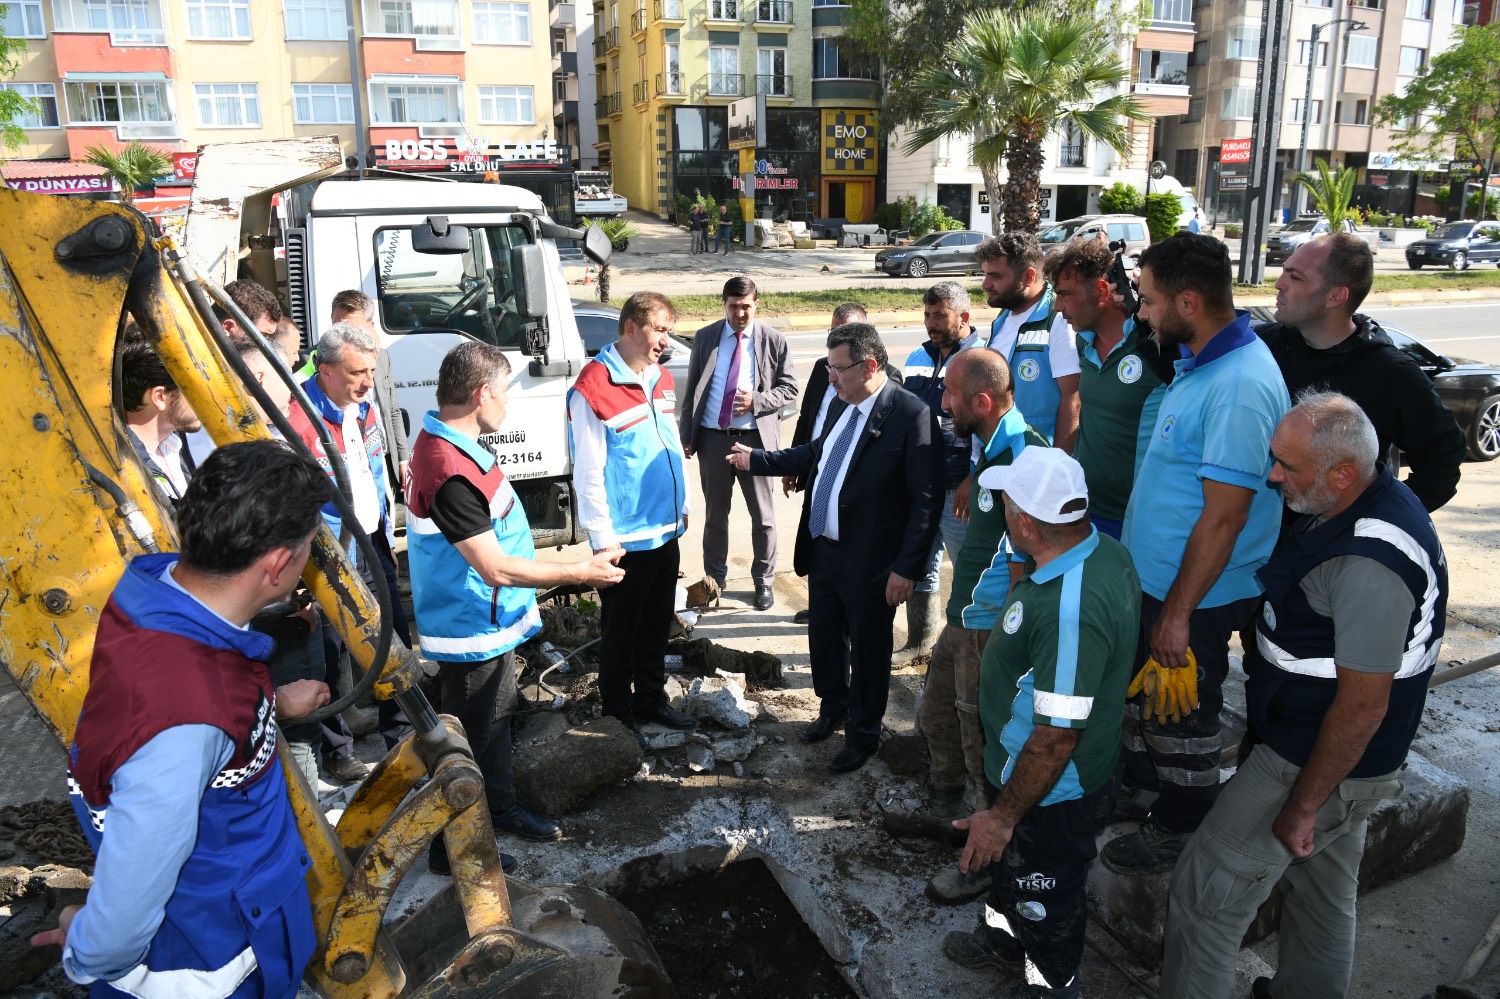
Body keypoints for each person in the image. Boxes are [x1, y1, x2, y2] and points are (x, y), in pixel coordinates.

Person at [1158, 393, 1446, 999]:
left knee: (1206, 897)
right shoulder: (1353, 498)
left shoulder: (1373, 562)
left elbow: (1363, 706)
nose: (1272, 475)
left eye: (1287, 466)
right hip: (1332, 755)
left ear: (1342, 472)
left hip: (1312, 758)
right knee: (1321, 895)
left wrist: (1306, 804)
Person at [36, 440, 333, 997]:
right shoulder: (186, 722)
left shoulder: (156, 597)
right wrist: (85, 942)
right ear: (277, 565)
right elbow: (130, 892)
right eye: (308, 549)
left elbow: (201, 717)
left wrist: (270, 707)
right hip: (215, 963)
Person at [1102, 233, 1291, 875]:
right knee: (1146, 703)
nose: (1141, 313)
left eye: (1150, 301)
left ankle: (1183, 821)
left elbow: (1225, 516)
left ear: (1188, 300)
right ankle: (1143, 788)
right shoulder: (1199, 361)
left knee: (1183, 712)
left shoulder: (1238, 384)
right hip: (1159, 580)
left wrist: (1178, 614)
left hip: (1199, 595)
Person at [408, 341, 625, 874]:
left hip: (490, 622)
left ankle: (498, 808)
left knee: (496, 722)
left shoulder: (455, 444)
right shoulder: (450, 470)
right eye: (505, 392)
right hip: (472, 628)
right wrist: (583, 573)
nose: (509, 403)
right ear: (481, 394)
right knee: (472, 741)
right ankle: (450, 848)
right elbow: (495, 567)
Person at [941, 446, 1139, 999]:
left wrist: (1003, 816)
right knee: (1010, 876)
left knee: (1042, 893)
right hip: (1025, 776)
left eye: (1006, 503)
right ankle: (1003, 941)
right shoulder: (1101, 551)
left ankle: (1052, 984)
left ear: (1024, 522)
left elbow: (1054, 740)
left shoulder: (1068, 608)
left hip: (1052, 793)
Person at [728, 322, 942, 773]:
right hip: (826, 547)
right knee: (825, 637)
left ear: (869, 365)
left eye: (837, 369)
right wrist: (757, 461)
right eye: (827, 368)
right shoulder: (846, 404)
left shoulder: (909, 414)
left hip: (872, 560)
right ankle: (833, 708)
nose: (831, 379)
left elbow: (926, 500)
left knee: (868, 649)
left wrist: (908, 568)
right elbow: (817, 454)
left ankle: (864, 734)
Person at [885, 349, 1047, 906]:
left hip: (991, 627)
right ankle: (946, 808)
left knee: (984, 740)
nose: (942, 403)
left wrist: (1005, 634)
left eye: (951, 394)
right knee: (936, 715)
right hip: (963, 617)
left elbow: (1034, 559)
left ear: (981, 401)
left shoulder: (1027, 456)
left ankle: (985, 856)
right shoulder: (995, 444)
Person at [569, 291, 699, 738]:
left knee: (656, 624)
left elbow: (667, 446)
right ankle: (618, 713)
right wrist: (603, 538)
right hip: (624, 538)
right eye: (660, 329)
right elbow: (587, 471)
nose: (666, 339)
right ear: (630, 328)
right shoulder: (592, 386)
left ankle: (650, 698)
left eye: (667, 330)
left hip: (665, 529)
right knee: (621, 630)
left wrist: (680, 508)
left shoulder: (661, 377)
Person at [1257, 232, 1464, 513]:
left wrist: (1381, 518)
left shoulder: (1389, 372)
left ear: (1335, 296)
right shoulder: (1264, 346)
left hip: (1334, 552)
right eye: (1284, 272)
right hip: (1261, 545)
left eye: (1295, 276)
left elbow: (1443, 458)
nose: (1279, 284)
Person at [287, 321, 412, 783]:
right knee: (332, 651)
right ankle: (337, 751)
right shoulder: (297, 415)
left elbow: (372, 467)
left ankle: (402, 732)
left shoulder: (363, 406)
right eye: (358, 371)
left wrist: (385, 532)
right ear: (326, 370)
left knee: (391, 637)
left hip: (371, 540)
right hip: (328, 553)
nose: (368, 381)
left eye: (372, 370)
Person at [678, 276, 798, 611]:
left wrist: (757, 401)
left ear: (756, 303)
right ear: (724, 304)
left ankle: (764, 582)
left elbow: (790, 389)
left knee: (764, 517)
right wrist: (688, 434)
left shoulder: (773, 340)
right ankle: (714, 582)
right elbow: (692, 392)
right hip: (713, 441)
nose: (740, 313)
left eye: (746, 306)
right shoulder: (706, 337)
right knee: (716, 516)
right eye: (734, 306)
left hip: (755, 441)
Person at [784, 303, 902, 625]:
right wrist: (790, 464)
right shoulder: (828, 369)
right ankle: (825, 601)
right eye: (832, 331)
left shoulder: (890, 387)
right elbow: (808, 417)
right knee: (818, 536)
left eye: (843, 332)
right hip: (817, 466)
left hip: (857, 511)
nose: (833, 376)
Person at [1045, 238, 1170, 541]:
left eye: (1065, 295)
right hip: (1085, 513)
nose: (1058, 307)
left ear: (1102, 290)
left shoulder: (1156, 346)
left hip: (1137, 522)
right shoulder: (1082, 342)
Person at [896, 281, 986, 660]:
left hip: (958, 486)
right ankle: (920, 643)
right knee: (918, 564)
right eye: (927, 315)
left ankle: (968, 652)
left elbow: (988, 425)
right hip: (920, 485)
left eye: (940, 316)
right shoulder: (918, 355)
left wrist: (972, 476)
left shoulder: (982, 360)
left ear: (963, 317)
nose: (931, 323)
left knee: (968, 569)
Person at [976, 233, 1081, 450]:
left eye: (995, 276)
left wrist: (1056, 463)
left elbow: (1073, 398)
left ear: (1028, 277)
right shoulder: (1004, 317)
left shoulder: (1058, 319)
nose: (985, 284)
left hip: (1037, 459)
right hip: (1001, 456)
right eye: (984, 274)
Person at [331, 288, 412, 497]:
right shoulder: (320, 361)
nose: (341, 335)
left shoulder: (382, 358)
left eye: (350, 328)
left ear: (371, 327)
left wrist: (403, 458)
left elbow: (392, 411)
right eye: (336, 326)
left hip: (385, 459)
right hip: (352, 465)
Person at [119, 326, 201, 504]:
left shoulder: (174, 446)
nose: (205, 399)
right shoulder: (124, 469)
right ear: (160, 397)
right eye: (194, 389)